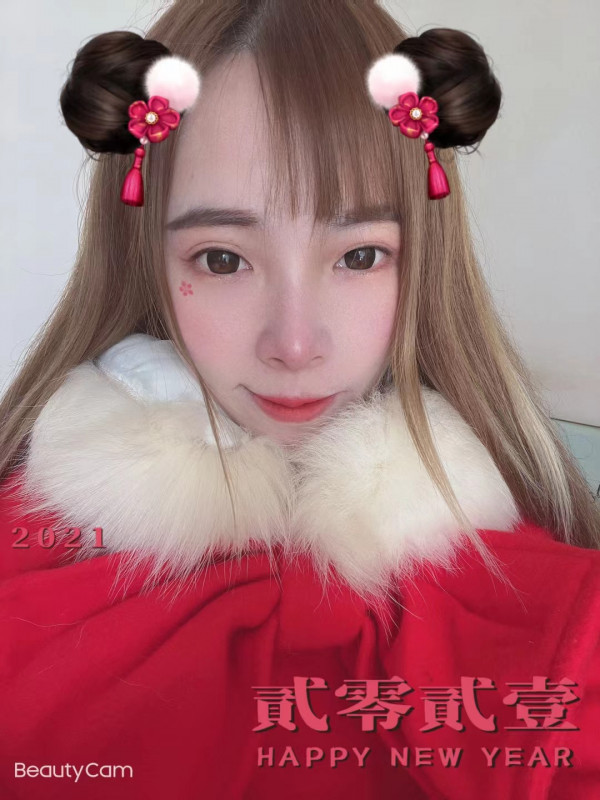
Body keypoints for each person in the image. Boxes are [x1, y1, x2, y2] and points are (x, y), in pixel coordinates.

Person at [1, 1, 599, 798]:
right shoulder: (27, 581)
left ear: (426, 260)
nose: (293, 344)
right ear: (142, 259)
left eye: (360, 255)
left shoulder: (549, 618)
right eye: (222, 259)